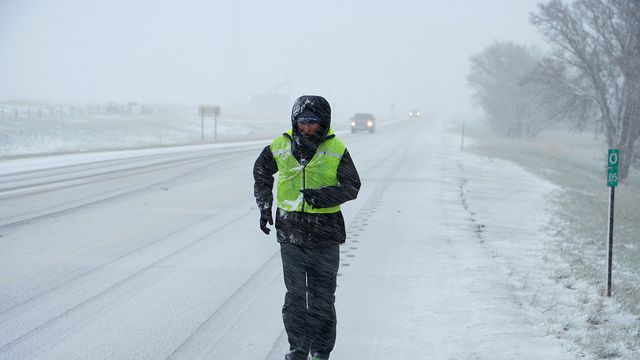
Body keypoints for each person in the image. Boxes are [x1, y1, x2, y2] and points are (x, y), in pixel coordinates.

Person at [253, 95, 361, 360]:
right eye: (302, 121)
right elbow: (261, 172)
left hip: (326, 233)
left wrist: (321, 196)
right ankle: (298, 349)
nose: (307, 127)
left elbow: (352, 186)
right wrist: (265, 206)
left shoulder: (336, 148)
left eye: (313, 122)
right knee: (295, 296)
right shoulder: (280, 145)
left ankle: (321, 352)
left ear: (324, 122)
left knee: (323, 297)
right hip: (291, 231)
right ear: (294, 120)